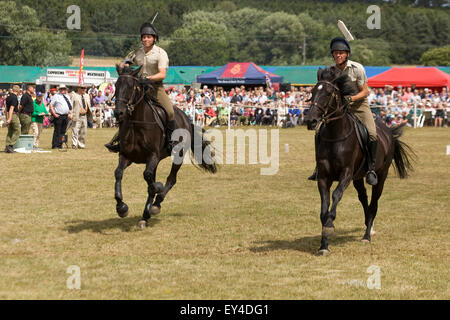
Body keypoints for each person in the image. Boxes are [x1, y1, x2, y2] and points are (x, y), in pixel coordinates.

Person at [309, 37, 379, 186]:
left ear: (347, 54)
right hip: (340, 108)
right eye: (335, 53)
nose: (338, 55)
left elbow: (365, 91)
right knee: (318, 132)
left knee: (372, 133)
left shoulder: (357, 69)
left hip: (359, 106)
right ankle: (318, 168)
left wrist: (352, 99)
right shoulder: (329, 71)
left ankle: (370, 169)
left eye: (341, 53)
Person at [105, 22, 176, 153]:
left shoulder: (161, 53)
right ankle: (120, 141)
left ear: (154, 38)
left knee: (170, 111)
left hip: (155, 88)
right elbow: (123, 65)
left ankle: (170, 141)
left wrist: (147, 79)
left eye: (149, 37)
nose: (146, 39)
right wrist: (126, 64)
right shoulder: (136, 52)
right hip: (139, 89)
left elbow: (162, 74)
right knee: (125, 111)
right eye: (144, 37)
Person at [49, 84, 72, 149]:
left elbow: (70, 106)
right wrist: (54, 114)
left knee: (63, 131)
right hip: (58, 115)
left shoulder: (67, 96)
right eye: (61, 89)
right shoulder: (56, 96)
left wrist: (70, 113)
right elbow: (51, 105)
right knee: (57, 131)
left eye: (64, 89)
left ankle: (60, 144)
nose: (62, 90)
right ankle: (55, 145)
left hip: (66, 116)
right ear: (59, 89)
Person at [71, 84, 91, 149]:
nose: (84, 89)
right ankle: (74, 144)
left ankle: (81, 145)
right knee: (75, 130)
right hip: (77, 115)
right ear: (78, 88)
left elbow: (88, 105)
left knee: (83, 131)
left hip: (84, 115)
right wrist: (70, 113)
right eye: (82, 88)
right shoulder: (74, 95)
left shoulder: (87, 96)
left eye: (85, 88)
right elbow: (71, 105)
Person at [4, 85, 21, 153]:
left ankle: (7, 146)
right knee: (17, 130)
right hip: (13, 115)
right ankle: (10, 145)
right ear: (18, 90)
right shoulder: (14, 98)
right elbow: (11, 108)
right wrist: (10, 118)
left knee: (10, 131)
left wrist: (7, 117)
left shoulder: (8, 97)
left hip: (8, 114)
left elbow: (6, 108)